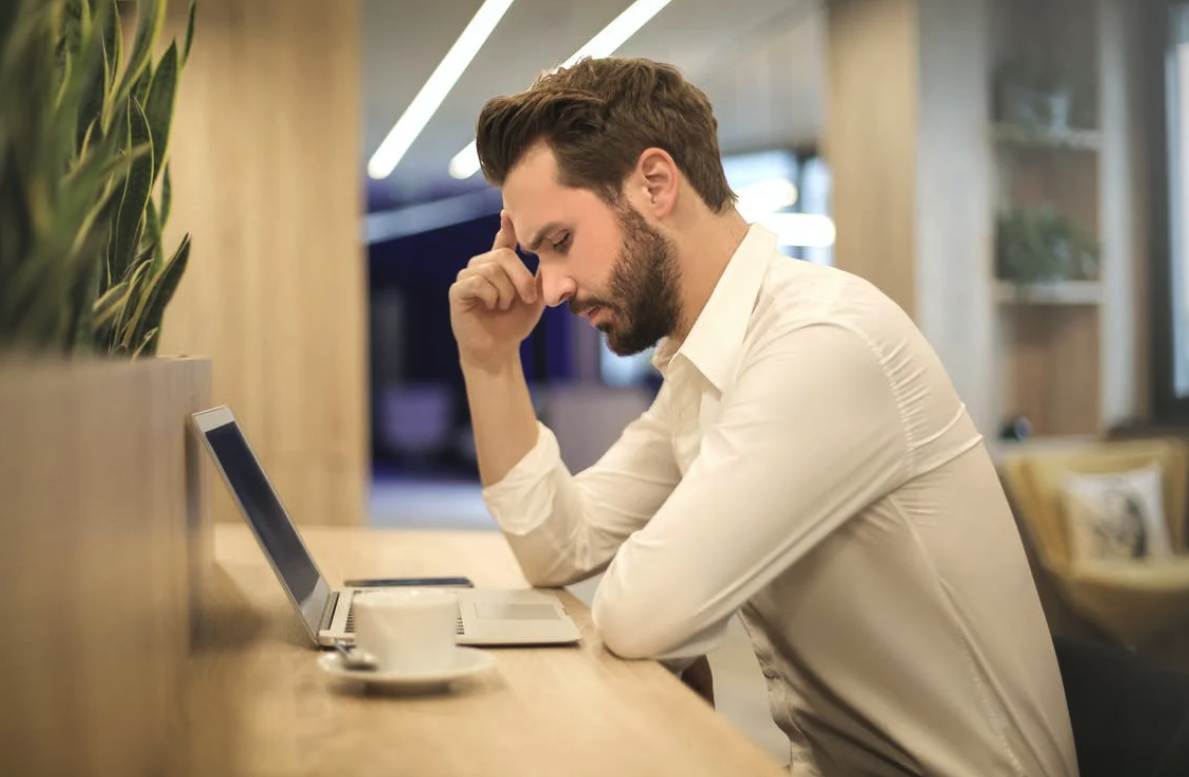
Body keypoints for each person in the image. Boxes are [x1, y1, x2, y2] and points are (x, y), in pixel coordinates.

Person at [448, 56, 1078, 777]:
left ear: (654, 184)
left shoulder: (821, 343)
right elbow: (557, 547)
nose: (549, 286)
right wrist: (490, 362)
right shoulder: (706, 364)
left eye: (558, 242)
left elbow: (641, 612)